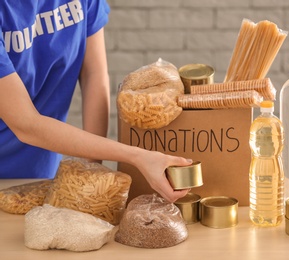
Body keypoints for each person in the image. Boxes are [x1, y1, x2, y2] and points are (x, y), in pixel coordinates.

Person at [0, 0, 191, 202]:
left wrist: (91, 171)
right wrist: (137, 156)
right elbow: (26, 124)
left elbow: (94, 75)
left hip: (41, 171)